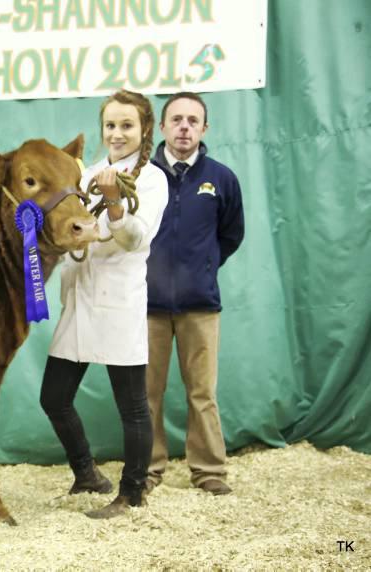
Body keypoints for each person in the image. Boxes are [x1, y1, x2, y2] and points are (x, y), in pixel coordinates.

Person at [39, 90, 169, 519]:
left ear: (144, 129)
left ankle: (132, 492)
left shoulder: (152, 179)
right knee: (54, 398)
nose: (116, 133)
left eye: (127, 125)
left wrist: (113, 199)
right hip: (78, 301)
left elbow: (134, 238)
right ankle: (87, 474)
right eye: (110, 125)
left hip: (118, 303)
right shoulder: (88, 173)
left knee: (132, 407)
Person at [145, 92, 245, 495]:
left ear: (205, 128)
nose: (184, 126)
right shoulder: (143, 177)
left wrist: (202, 267)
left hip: (200, 307)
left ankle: (209, 472)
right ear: (163, 127)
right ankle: (147, 470)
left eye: (193, 120)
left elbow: (231, 234)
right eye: (177, 119)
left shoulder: (221, 179)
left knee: (202, 393)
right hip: (147, 307)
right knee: (146, 394)